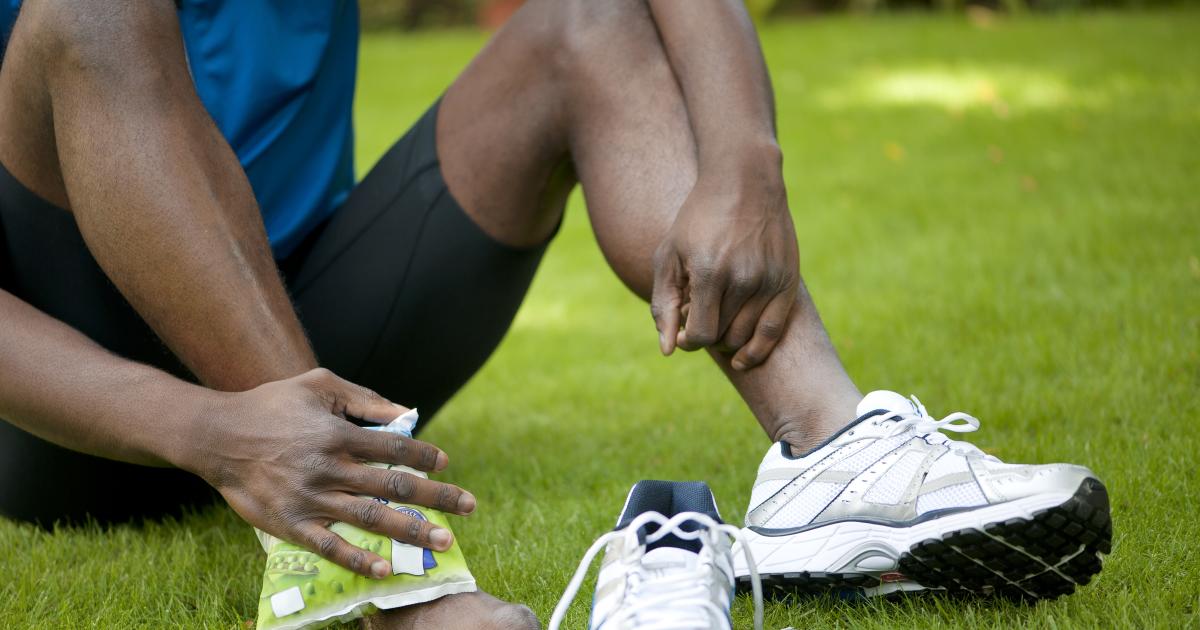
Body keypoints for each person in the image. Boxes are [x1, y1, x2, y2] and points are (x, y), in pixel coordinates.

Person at [0, 1, 1109, 628]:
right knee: (91, 12)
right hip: (71, 403)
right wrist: (202, 429)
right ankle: (378, 576)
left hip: (304, 330)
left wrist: (743, 156)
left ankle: (832, 453)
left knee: (586, 24)